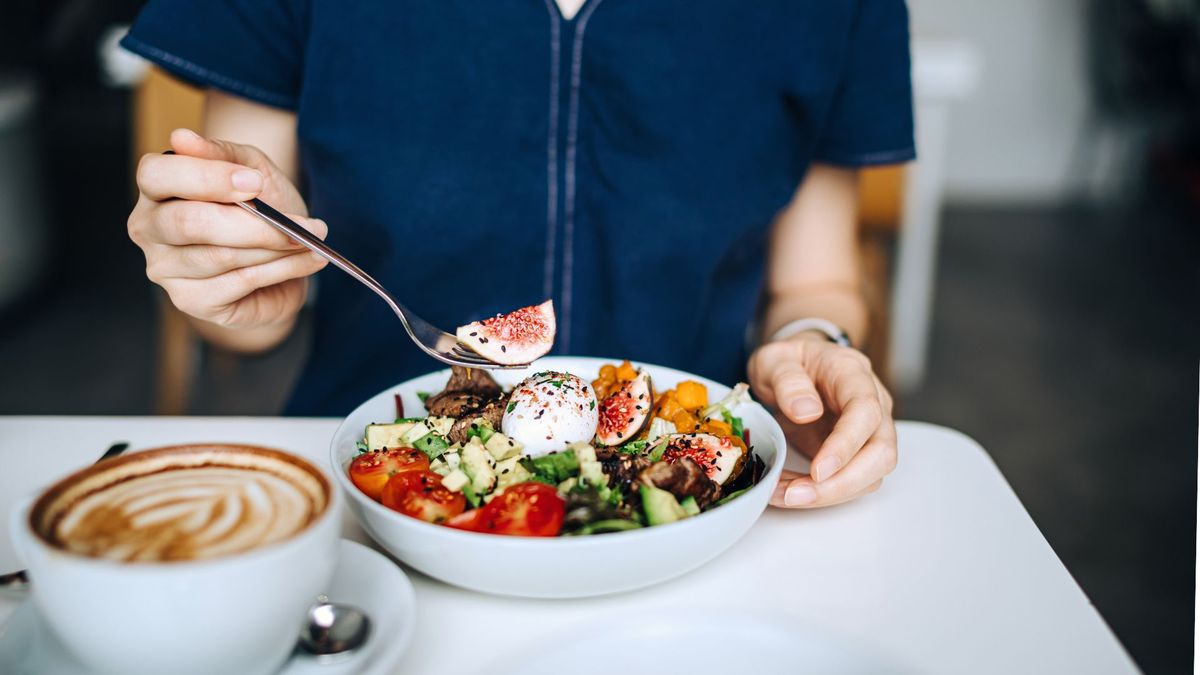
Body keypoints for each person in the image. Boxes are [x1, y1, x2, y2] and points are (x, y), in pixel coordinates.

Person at [122, 0, 912, 510]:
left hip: (686, 500)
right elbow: (246, 304)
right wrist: (228, 276)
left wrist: (818, 339)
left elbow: (818, 277)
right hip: (380, 482)